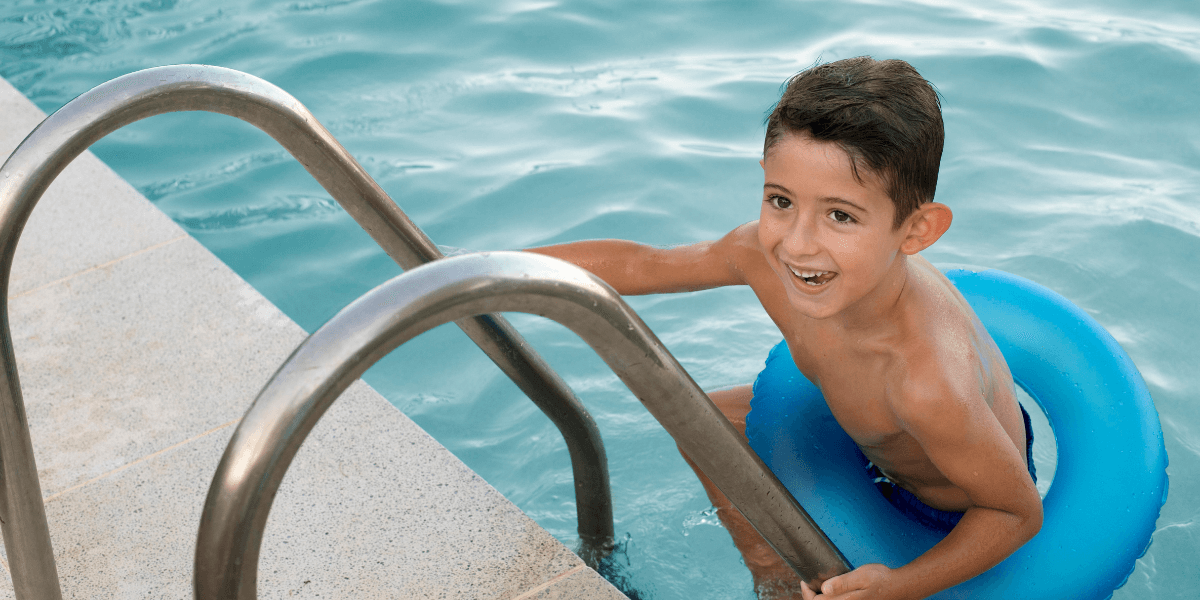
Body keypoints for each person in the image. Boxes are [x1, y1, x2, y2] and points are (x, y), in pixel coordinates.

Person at [528, 56, 1042, 599]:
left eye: (840, 215)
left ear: (916, 231)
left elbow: (1014, 512)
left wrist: (900, 585)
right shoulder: (762, 254)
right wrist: (475, 265)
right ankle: (766, 569)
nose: (796, 244)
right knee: (706, 421)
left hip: (950, 502)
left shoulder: (927, 383)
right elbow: (644, 264)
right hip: (876, 437)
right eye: (781, 201)